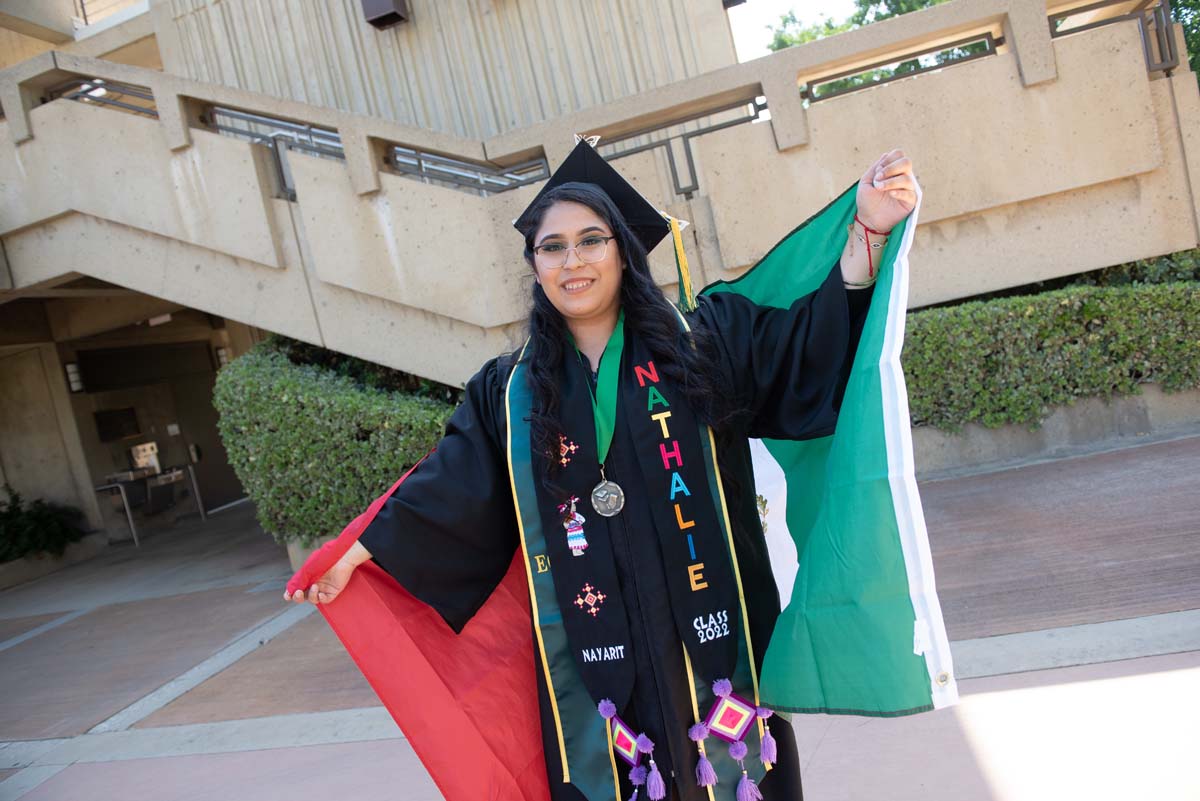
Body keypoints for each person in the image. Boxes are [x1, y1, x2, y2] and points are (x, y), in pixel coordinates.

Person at [285, 138, 927, 801]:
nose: (573, 260)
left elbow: (806, 349)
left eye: (590, 240)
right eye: (552, 246)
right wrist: (353, 554)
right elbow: (449, 490)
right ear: (535, 266)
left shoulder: (704, 346)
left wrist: (868, 233)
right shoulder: (510, 394)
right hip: (600, 679)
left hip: (716, 647)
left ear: (622, 249)